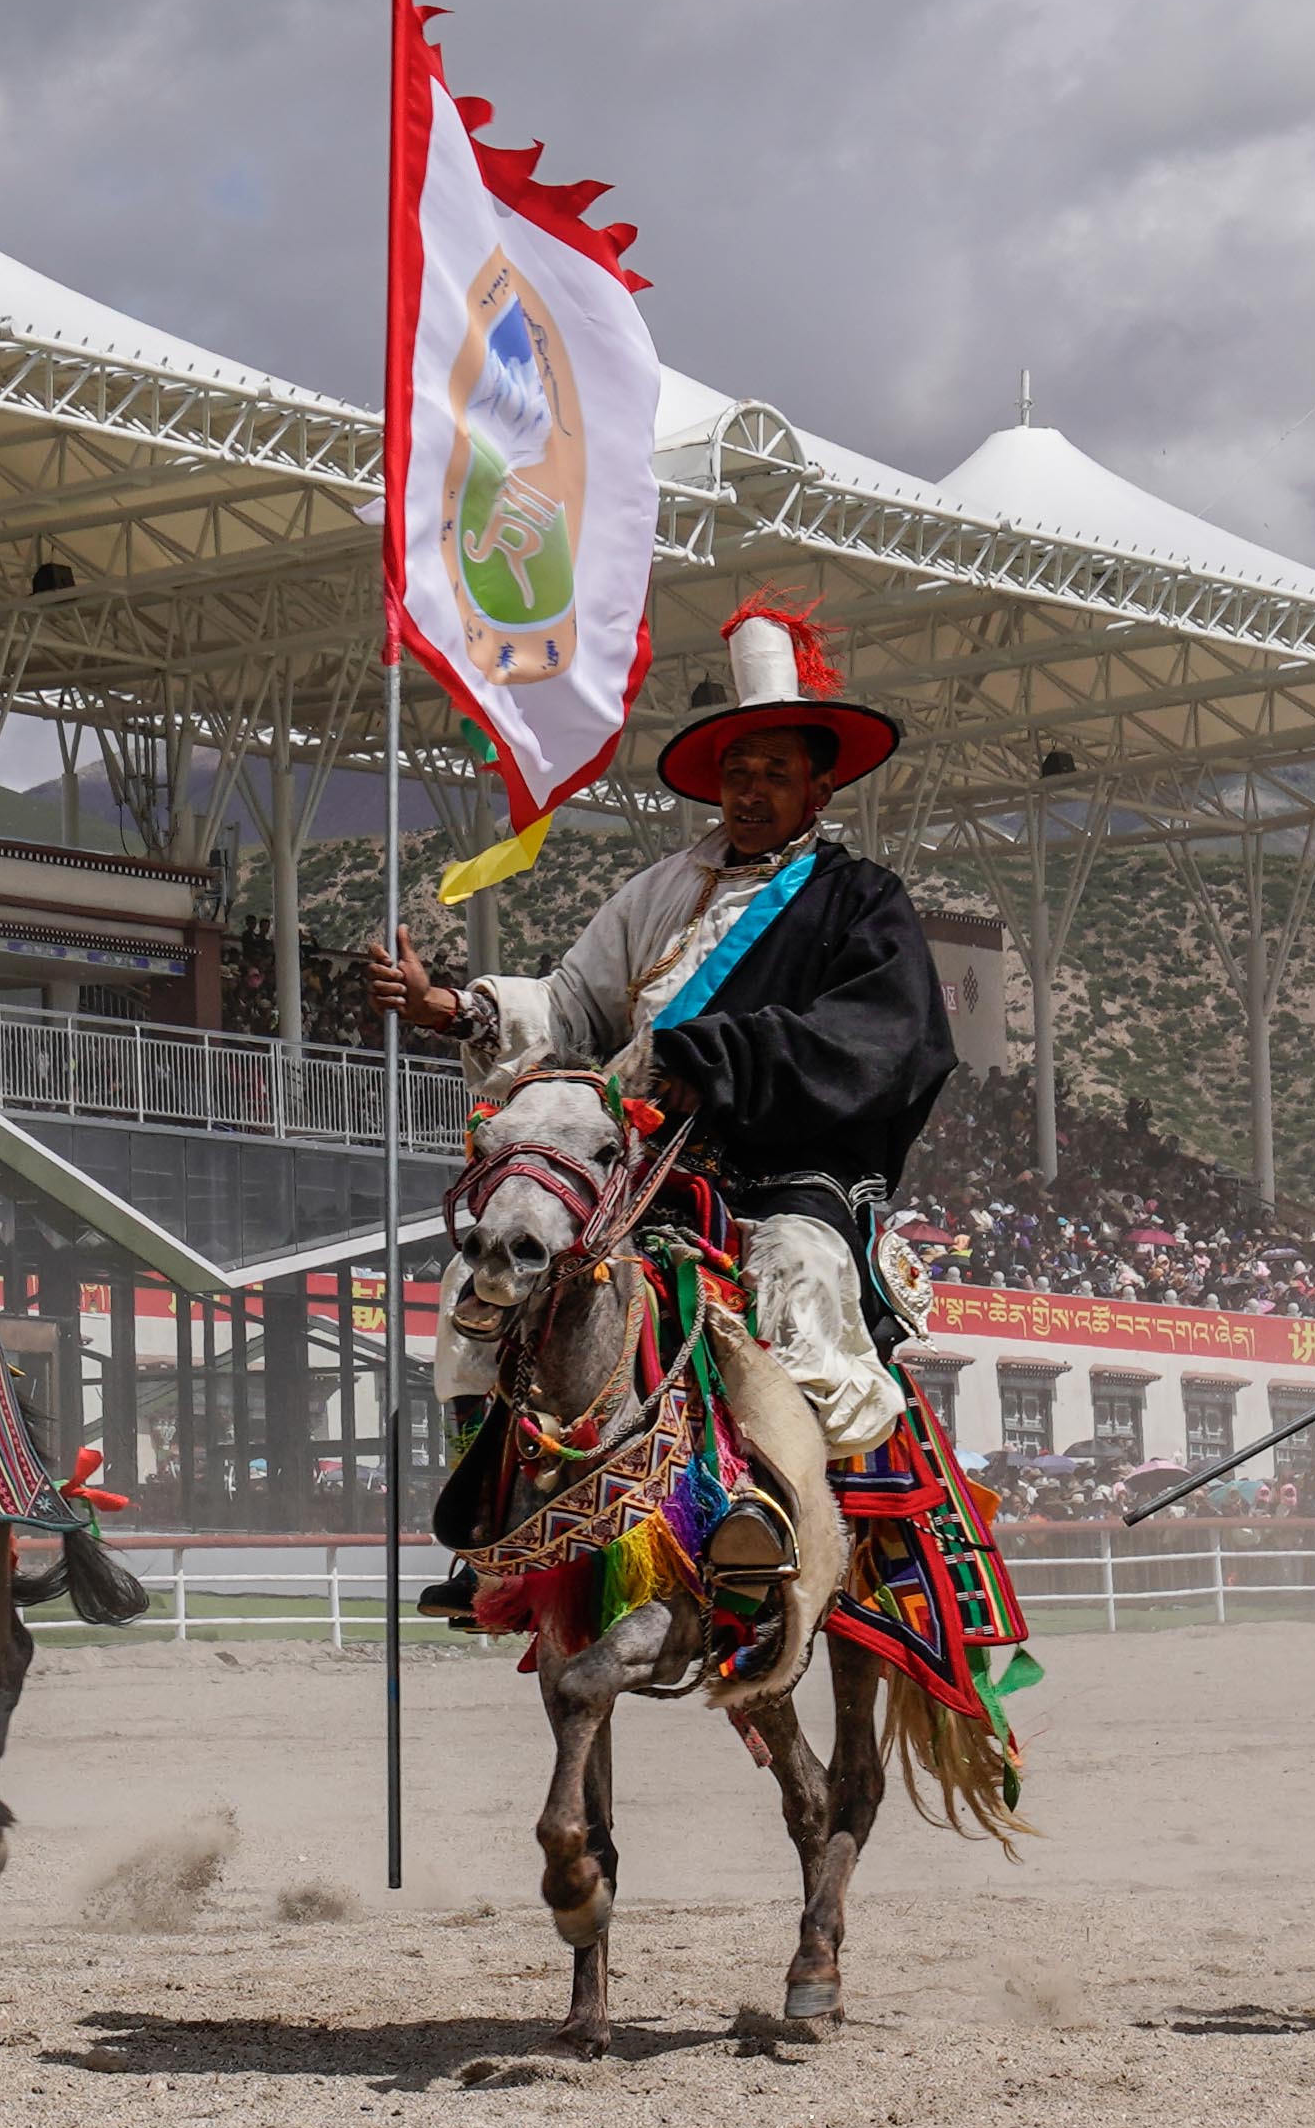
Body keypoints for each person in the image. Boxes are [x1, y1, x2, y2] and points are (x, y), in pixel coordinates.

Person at [367, 599, 957, 1586]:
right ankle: (493, 1499)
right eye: (739, 771)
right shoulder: (658, 888)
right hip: (640, 1158)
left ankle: (807, 1513)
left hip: (778, 1167)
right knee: (490, 1266)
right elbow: (573, 1005)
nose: (753, 789)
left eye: (776, 772)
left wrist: (717, 1057)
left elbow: (883, 1040)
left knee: (799, 1275)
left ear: (819, 786)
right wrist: (451, 1009)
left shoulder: (860, 901)